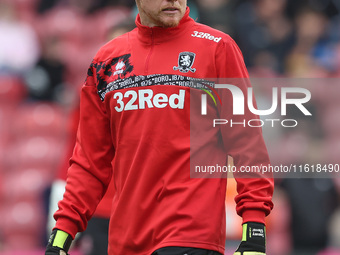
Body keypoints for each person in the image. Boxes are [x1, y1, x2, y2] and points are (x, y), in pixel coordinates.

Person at [45, 1, 274, 255]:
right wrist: (62, 235)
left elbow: (248, 144)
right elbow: (89, 163)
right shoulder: (105, 61)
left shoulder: (217, 48)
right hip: (124, 242)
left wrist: (254, 230)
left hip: (191, 237)